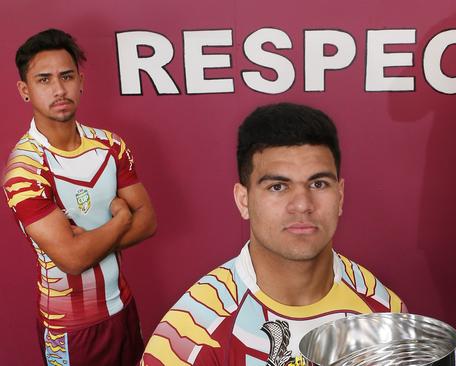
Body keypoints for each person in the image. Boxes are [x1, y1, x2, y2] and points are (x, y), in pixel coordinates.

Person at [141, 103, 405, 365]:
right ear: (243, 201)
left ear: (340, 196)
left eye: (318, 183)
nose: (302, 204)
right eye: (278, 187)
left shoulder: (383, 309)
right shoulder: (191, 336)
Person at [3, 29, 157, 365]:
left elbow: (149, 222)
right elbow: (72, 259)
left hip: (123, 307)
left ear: (81, 81)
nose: (59, 89)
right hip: (69, 327)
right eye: (44, 80)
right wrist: (120, 217)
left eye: (67, 76)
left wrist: (90, 242)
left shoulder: (110, 145)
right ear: (25, 91)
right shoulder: (25, 170)